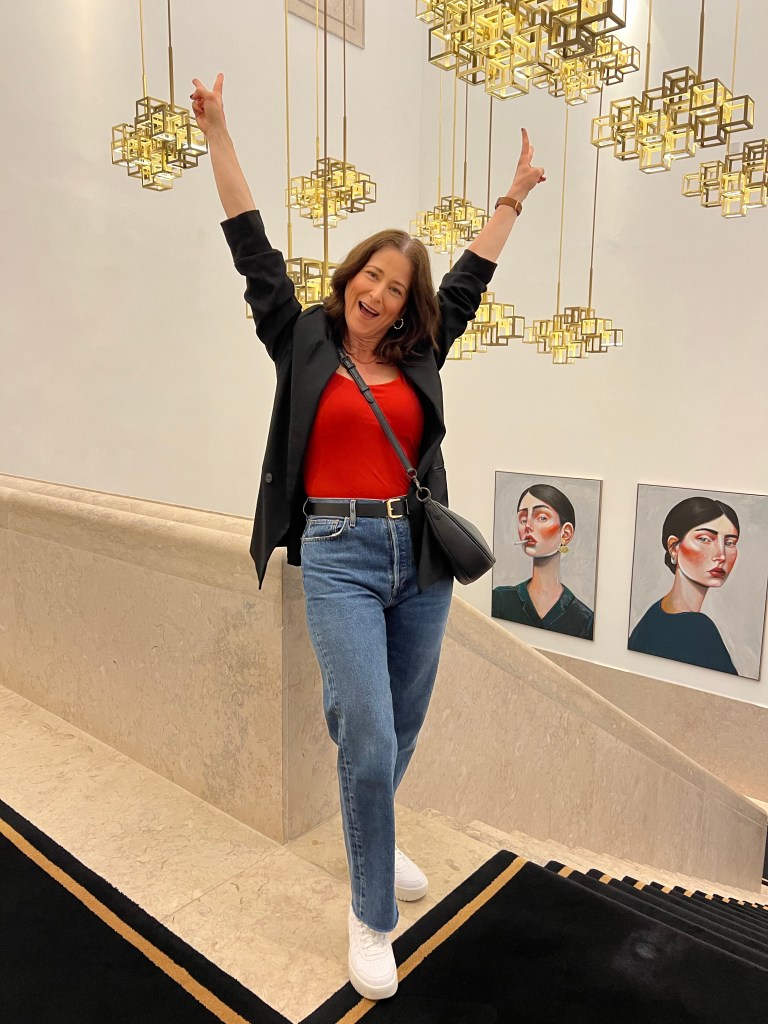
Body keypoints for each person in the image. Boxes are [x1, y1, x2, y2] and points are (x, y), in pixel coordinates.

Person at [190, 71, 545, 1000]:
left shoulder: (422, 349)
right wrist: (219, 133)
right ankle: (370, 912)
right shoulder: (299, 335)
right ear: (348, 278)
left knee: (405, 723)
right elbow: (251, 243)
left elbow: (468, 278)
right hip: (338, 555)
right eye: (371, 277)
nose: (380, 293)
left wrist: (513, 198)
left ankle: (374, 845)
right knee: (369, 737)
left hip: (417, 558)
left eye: (396, 287)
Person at [628, 496, 739, 675]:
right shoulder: (697, 628)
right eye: (705, 539)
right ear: (674, 547)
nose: (721, 555)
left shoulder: (655, 613)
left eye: (730, 543)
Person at [492, 483, 594, 638]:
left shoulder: (585, 620)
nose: (528, 526)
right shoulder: (500, 599)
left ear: (566, 533)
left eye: (542, 517)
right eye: (523, 519)